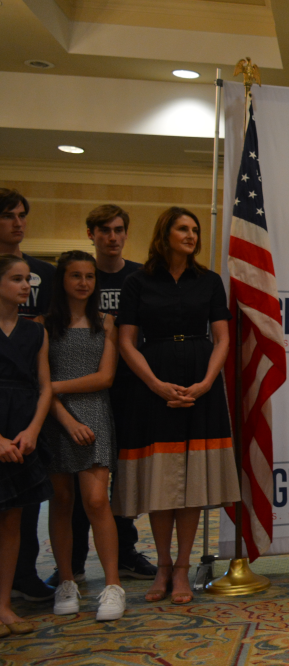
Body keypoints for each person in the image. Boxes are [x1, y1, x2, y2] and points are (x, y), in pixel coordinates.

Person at [116, 206, 240, 604]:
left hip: (200, 385)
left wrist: (205, 383)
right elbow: (125, 342)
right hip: (153, 387)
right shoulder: (138, 281)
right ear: (164, 233)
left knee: (192, 481)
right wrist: (153, 383)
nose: (191, 235)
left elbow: (222, 338)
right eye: (183, 228)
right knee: (162, 479)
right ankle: (163, 566)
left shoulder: (209, 281)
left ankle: (184, 568)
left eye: (195, 230)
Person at [48, 205, 155, 586]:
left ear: (126, 233)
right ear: (91, 234)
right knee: (70, 491)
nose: (113, 236)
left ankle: (125, 554)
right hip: (71, 400)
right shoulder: (74, 279)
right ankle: (71, 565)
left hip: (127, 390)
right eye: (105, 230)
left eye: (119, 229)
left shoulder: (140, 275)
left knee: (119, 481)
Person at [42, 251, 125, 620]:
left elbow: (105, 378)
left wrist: (53, 387)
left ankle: (112, 585)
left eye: (90, 276)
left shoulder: (107, 321)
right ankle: (66, 581)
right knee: (61, 499)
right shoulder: (44, 325)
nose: (84, 283)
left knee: (95, 500)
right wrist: (61, 413)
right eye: (76, 276)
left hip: (94, 414)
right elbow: (39, 384)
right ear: (63, 280)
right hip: (55, 418)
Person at [0, 189, 57, 604]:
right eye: (8, 216)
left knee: (21, 510)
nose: (18, 222)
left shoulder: (42, 276)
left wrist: (34, 427)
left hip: (26, 417)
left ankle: (21, 580)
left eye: (22, 214)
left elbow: (44, 383)